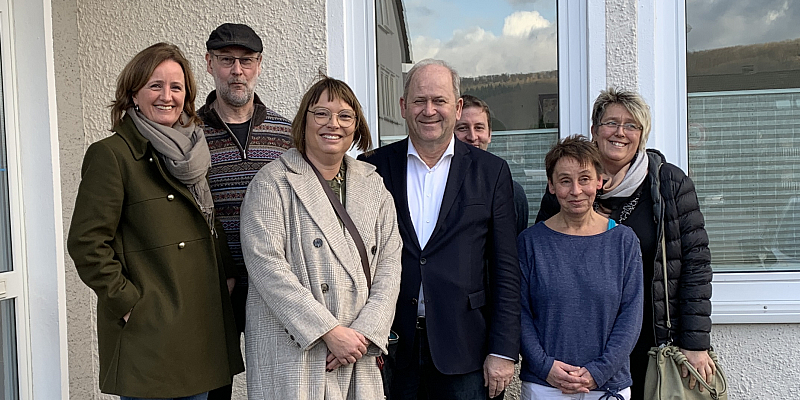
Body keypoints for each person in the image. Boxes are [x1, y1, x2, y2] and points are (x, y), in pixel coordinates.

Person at [66, 42, 244, 400]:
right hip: (152, 336)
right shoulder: (112, 155)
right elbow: (87, 242)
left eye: (176, 87)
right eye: (155, 85)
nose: (167, 96)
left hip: (201, 327)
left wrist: (226, 274)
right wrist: (129, 304)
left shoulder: (191, 149)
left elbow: (207, 222)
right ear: (133, 94)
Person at [535, 88, 714, 400]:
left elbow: (696, 264)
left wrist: (695, 342)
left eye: (631, 125)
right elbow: (542, 262)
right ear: (594, 130)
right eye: (611, 123)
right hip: (585, 345)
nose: (620, 132)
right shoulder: (567, 186)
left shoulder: (669, 183)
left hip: (653, 337)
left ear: (642, 135)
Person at [360, 59, 521, 400]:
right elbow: (357, 262)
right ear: (403, 107)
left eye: (439, 100)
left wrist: (504, 351)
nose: (429, 110)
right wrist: (364, 335)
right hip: (389, 348)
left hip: (466, 348)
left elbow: (506, 269)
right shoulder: (372, 169)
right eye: (419, 101)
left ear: (457, 106)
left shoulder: (491, 173)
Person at [240, 76, 402, 399]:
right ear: (304, 120)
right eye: (322, 114)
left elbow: (390, 265)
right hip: (298, 353)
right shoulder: (272, 183)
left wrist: (361, 336)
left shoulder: (374, 187)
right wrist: (329, 332)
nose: (334, 124)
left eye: (345, 115)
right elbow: (268, 269)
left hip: (357, 353)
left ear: (356, 126)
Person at [197, 23, 293, 400]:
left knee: (273, 386)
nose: (237, 71)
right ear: (209, 63)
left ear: (259, 65)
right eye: (226, 61)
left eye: (246, 61)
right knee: (212, 388)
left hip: (273, 285)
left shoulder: (287, 134)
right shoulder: (189, 133)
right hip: (212, 285)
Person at [519, 135, 643, 400]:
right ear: (551, 186)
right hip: (545, 386)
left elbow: (631, 316)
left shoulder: (623, 241)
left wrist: (597, 371)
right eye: (565, 181)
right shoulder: (530, 243)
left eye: (584, 179)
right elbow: (519, 313)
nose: (576, 191)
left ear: (600, 181)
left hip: (607, 386)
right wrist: (545, 367)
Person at [455, 94, 529, 234]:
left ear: (489, 134)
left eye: (479, 127)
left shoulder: (512, 193)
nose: (472, 137)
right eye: (462, 128)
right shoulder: (438, 189)